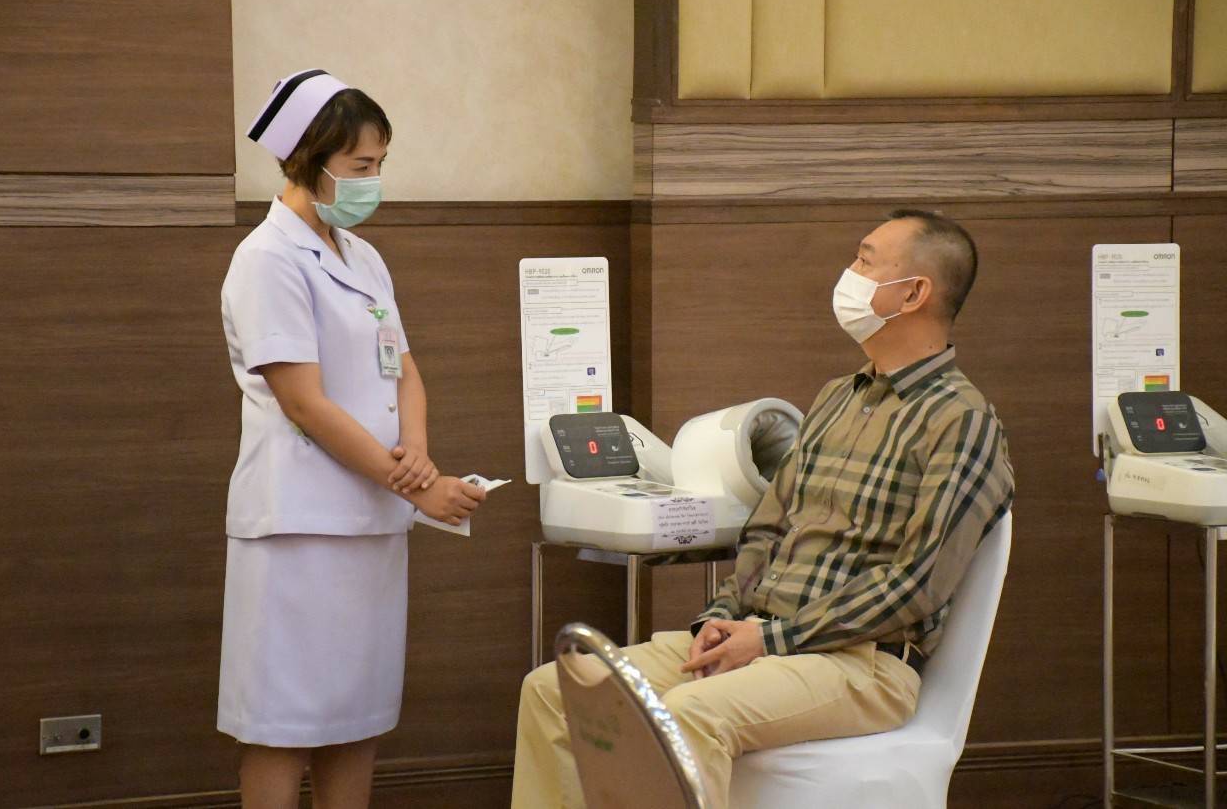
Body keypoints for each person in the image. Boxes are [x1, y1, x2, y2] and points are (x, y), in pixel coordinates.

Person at [511, 210, 1015, 809]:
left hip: (862, 664)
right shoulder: (837, 396)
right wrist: (719, 619)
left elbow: (916, 584)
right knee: (555, 690)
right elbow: (767, 531)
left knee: (687, 713)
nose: (848, 274)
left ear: (913, 294)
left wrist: (771, 639)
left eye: (864, 260)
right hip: (764, 635)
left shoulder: (962, 421)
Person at [218, 69, 487, 809]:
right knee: (282, 727)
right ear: (309, 158)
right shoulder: (266, 260)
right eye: (361, 165)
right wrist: (414, 485)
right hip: (298, 527)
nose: (373, 181)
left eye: (380, 164)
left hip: (371, 521)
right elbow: (304, 403)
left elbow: (405, 372)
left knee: (355, 722)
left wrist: (417, 454)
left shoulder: (362, 257)